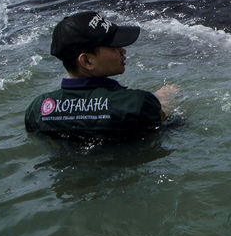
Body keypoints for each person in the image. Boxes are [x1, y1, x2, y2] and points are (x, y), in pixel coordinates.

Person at [25, 11, 178, 142]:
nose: (122, 50)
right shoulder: (137, 104)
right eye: (113, 46)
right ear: (87, 61)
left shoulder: (37, 110)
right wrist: (164, 99)